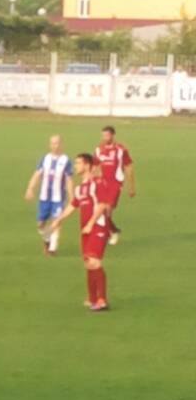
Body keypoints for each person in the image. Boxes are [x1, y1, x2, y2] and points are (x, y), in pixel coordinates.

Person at [50, 153, 111, 311]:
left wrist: (91, 223)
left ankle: (102, 300)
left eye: (78, 163)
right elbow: (73, 205)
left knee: (94, 262)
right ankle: (92, 298)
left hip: (97, 226)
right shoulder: (79, 189)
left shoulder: (96, 183)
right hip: (85, 229)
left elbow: (102, 204)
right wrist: (59, 220)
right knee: (88, 263)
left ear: (87, 165)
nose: (75, 166)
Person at [23, 135, 73, 255]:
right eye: (53, 143)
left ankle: (52, 249)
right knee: (40, 224)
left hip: (58, 198)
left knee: (57, 221)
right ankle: (47, 239)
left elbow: (69, 180)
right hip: (44, 197)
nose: (55, 146)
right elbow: (37, 174)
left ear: (62, 144)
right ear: (49, 145)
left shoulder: (66, 160)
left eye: (57, 143)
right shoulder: (45, 159)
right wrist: (30, 188)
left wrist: (72, 196)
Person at [94, 125, 136, 245]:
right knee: (100, 211)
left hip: (115, 184)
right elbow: (95, 166)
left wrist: (131, 187)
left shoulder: (121, 149)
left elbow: (129, 167)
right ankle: (113, 231)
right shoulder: (99, 149)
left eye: (107, 135)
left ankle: (110, 233)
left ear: (113, 135)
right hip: (103, 184)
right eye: (103, 135)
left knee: (107, 210)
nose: (105, 138)